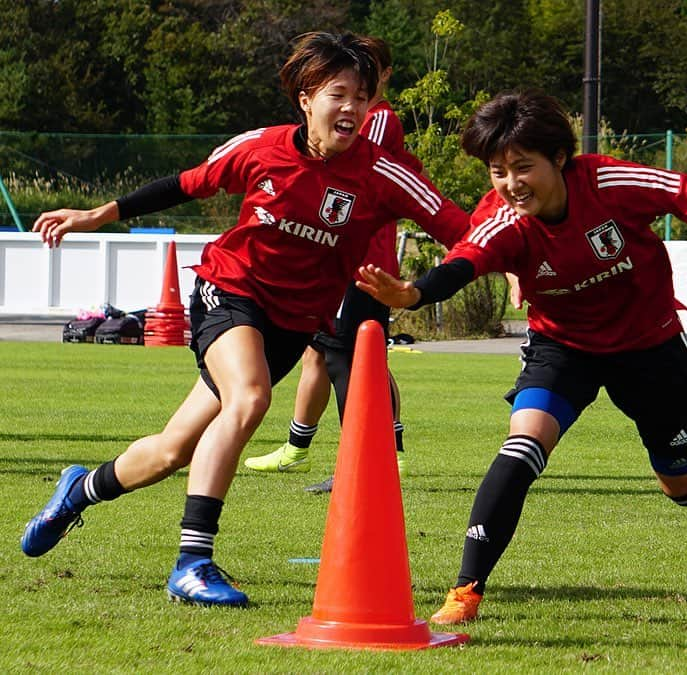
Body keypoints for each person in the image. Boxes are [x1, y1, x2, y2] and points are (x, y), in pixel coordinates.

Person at [21, 31, 468, 608]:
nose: (353, 108)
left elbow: (463, 231)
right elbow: (184, 183)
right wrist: (99, 213)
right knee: (250, 399)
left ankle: (77, 491)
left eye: (362, 96)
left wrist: (482, 270)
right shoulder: (261, 147)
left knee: (171, 451)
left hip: (291, 324)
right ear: (306, 98)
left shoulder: (383, 174)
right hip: (227, 292)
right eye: (338, 93)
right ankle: (192, 562)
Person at [356, 90, 687, 625]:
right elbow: (464, 262)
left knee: (682, 483)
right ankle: (466, 591)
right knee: (522, 445)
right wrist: (415, 293)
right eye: (497, 171)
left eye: (522, 167)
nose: (510, 184)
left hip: (649, 347)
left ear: (558, 158)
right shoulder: (502, 218)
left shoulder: (608, 182)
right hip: (563, 348)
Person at [243, 36, 417, 493]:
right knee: (319, 353)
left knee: (353, 358)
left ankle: (375, 458)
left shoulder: (375, 124)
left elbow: (365, 174)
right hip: (335, 261)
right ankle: (298, 447)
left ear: (381, 78)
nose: (353, 95)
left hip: (361, 264)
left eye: (365, 80)